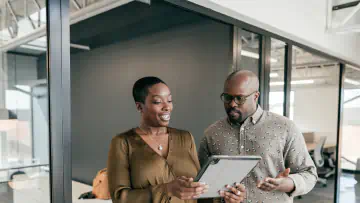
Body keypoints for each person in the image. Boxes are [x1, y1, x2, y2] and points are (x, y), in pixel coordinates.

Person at [107, 76, 245, 203]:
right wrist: (166, 190)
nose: (167, 107)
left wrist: (226, 198)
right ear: (139, 106)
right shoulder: (123, 143)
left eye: (169, 100)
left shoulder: (185, 138)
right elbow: (119, 198)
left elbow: (199, 192)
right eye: (157, 101)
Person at [198, 70, 318, 203]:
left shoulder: (285, 128)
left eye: (239, 98)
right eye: (227, 98)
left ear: (255, 96)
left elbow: (309, 174)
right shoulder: (212, 133)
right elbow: (201, 185)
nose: (232, 104)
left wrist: (287, 183)